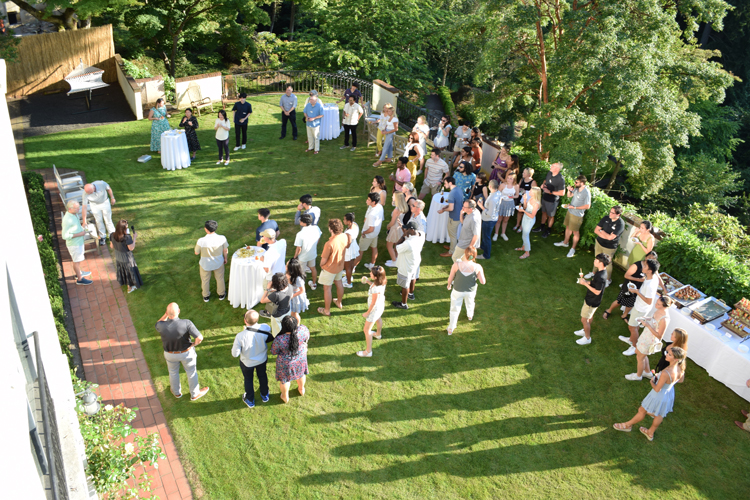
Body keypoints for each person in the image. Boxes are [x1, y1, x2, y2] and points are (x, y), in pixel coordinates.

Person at [613, 346, 686, 441]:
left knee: (642, 410)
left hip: (658, 396)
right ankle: (650, 432)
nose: (666, 355)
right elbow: (680, 380)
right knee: (659, 414)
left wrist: (652, 381)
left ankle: (627, 425)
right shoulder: (680, 367)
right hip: (668, 394)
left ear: (675, 359)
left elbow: (657, 389)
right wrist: (666, 382)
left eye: (669, 354)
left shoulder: (666, 372)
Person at [155, 303, 210, 401]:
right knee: (191, 372)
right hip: (187, 354)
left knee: (173, 373)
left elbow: (158, 322)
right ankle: (194, 394)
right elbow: (200, 338)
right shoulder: (186, 323)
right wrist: (194, 344)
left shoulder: (161, 325)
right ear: (179, 311)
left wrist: (166, 315)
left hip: (170, 355)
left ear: (167, 312)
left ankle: (176, 393)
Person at [232, 310, 273, 408]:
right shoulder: (265, 327)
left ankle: (250, 400)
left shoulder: (240, 336)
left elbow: (235, 354)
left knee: (248, 379)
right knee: (262, 376)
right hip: (262, 359)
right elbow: (269, 331)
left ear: (245, 321)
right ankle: (265, 395)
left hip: (247, 363)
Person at [625, 295, 673, 381]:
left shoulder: (664, 319)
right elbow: (653, 319)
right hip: (645, 335)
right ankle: (647, 372)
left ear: (665, 306)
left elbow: (659, 336)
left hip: (650, 340)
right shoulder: (658, 310)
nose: (656, 305)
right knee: (640, 353)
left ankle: (638, 376)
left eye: (658, 304)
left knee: (640, 358)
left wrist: (647, 325)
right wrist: (645, 319)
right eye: (657, 302)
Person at [603, 250, 658, 321]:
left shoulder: (651, 268)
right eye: (649, 257)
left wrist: (664, 288)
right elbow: (626, 275)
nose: (651, 259)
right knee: (619, 301)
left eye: (653, 259)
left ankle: (624, 315)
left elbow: (657, 277)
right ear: (645, 257)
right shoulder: (637, 265)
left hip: (639, 289)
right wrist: (639, 280)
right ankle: (609, 310)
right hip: (629, 286)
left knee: (631, 303)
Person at [622, 259, 660, 356]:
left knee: (632, 326)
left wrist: (637, 292)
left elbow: (649, 301)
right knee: (635, 325)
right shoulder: (652, 277)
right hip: (640, 306)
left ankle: (634, 347)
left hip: (641, 309)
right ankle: (631, 339)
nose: (643, 267)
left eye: (645, 266)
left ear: (650, 271)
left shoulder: (650, 285)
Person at [446, 247, 487, 335]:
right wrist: (477, 275)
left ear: (465, 254)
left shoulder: (456, 264)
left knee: (454, 308)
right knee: (470, 303)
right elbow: (483, 282)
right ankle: (470, 315)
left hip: (457, 290)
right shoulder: (478, 267)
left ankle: (451, 328)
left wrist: (449, 285)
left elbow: (450, 277)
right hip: (470, 291)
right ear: (474, 256)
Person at [271, 316, 310, 403]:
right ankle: (301, 389)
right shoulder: (302, 330)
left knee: (285, 380)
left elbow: (274, 351)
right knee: (301, 374)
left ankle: (285, 397)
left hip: (286, 363)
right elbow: (307, 337)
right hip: (300, 358)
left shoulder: (279, 339)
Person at [574, 253, 610, 345]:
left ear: (601, 263)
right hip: (594, 300)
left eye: (596, 260)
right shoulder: (601, 271)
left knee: (584, 320)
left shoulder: (601, 276)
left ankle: (587, 338)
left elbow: (597, 292)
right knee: (589, 316)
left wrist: (585, 284)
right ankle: (585, 330)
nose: (594, 261)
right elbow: (595, 283)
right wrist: (586, 282)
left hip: (591, 301)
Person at [584, 205, 625, 284]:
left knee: (607, 263)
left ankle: (608, 280)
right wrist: (606, 235)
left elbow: (610, 238)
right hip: (599, 242)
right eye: (610, 212)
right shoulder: (606, 218)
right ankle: (594, 273)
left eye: (612, 213)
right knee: (597, 258)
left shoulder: (620, 224)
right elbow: (596, 230)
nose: (610, 214)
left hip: (609, 247)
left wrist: (602, 232)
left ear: (618, 215)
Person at [554, 175, 591, 258]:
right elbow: (569, 196)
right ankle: (565, 242)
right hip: (570, 211)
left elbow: (587, 206)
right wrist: (569, 190)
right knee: (567, 227)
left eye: (576, 182)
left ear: (582, 183)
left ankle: (573, 249)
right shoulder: (577, 189)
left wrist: (574, 207)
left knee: (575, 232)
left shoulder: (586, 192)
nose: (575, 183)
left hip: (577, 215)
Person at [392, 220, 425, 310]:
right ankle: (411, 294)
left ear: (412, 230)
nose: (405, 230)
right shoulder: (421, 235)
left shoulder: (408, 243)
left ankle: (403, 304)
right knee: (413, 277)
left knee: (405, 285)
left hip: (406, 265)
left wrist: (403, 236)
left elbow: (396, 247)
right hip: (415, 262)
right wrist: (406, 232)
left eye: (407, 229)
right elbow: (414, 234)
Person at [317, 219, 348, 316]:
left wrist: (321, 265)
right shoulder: (344, 236)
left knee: (327, 289)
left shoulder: (329, 244)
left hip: (329, 269)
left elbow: (324, 259)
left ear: (331, 229)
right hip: (339, 266)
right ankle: (339, 302)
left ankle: (327, 311)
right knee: (339, 283)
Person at [194, 220, 228, 302]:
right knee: (220, 278)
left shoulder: (201, 241)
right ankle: (221, 294)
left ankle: (206, 296)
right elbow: (225, 250)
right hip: (218, 262)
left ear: (206, 229)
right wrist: (225, 258)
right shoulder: (222, 238)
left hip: (205, 264)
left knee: (205, 280)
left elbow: (196, 253)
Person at [357, 265, 387, 357]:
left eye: (371, 273)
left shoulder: (375, 289)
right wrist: (368, 281)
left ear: (376, 277)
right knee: (378, 318)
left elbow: (373, 303)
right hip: (380, 307)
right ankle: (378, 334)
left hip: (374, 310)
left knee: (367, 330)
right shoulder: (382, 281)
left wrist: (367, 313)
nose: (370, 273)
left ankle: (368, 352)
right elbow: (374, 286)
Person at [61, 201, 93, 285]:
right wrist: (80, 234)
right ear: (70, 208)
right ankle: (79, 279)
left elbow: (75, 227)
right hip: (74, 244)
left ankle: (79, 272)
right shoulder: (67, 220)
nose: (79, 209)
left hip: (78, 242)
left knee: (77, 261)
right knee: (76, 261)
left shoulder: (74, 214)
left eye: (79, 207)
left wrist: (82, 227)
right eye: (77, 208)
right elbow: (64, 236)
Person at [533, 162, 566, 238]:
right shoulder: (549, 173)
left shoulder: (560, 179)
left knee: (550, 216)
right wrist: (543, 184)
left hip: (552, 200)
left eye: (553, 166)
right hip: (545, 197)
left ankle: (548, 230)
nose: (551, 166)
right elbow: (546, 180)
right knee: (543, 212)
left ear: (557, 169)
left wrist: (550, 192)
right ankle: (542, 227)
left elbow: (562, 193)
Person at [109, 219, 142, 293]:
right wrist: (134, 238)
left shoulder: (112, 235)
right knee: (129, 272)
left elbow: (111, 246)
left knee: (123, 271)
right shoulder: (127, 237)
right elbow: (131, 248)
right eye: (126, 227)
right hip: (127, 259)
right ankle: (129, 288)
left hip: (118, 258)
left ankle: (125, 283)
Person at [354, 193, 384, 270]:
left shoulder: (372, 214)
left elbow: (371, 229)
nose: (366, 201)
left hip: (368, 235)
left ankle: (352, 268)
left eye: (368, 200)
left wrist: (363, 232)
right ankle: (372, 265)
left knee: (359, 251)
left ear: (373, 202)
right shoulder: (380, 206)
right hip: (375, 234)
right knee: (374, 248)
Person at [81, 180, 116, 246]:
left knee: (108, 220)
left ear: (94, 188)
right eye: (87, 193)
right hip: (94, 205)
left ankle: (112, 235)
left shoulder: (101, 183)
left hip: (104, 202)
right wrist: (84, 221)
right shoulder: (85, 193)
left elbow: (108, 188)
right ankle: (102, 236)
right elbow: (84, 207)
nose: (88, 194)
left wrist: (112, 198)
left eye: (90, 192)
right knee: (98, 221)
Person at [293, 213, 322, 290]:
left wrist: (295, 257)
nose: (299, 221)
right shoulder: (316, 228)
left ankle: (301, 288)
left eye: (300, 220)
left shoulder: (300, 234)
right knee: (313, 268)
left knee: (301, 273)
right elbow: (319, 238)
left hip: (303, 257)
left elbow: (298, 248)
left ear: (304, 223)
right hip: (312, 254)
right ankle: (314, 284)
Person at [438, 176, 464, 257]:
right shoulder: (458, 189)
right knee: (452, 234)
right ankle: (453, 246)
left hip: (454, 217)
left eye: (445, 183)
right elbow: (456, 203)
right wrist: (446, 207)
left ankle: (451, 252)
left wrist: (443, 210)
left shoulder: (452, 193)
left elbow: (451, 208)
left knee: (453, 235)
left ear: (450, 183)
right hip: (459, 215)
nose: (444, 185)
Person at [516, 186, 542, 259]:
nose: (529, 192)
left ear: (534, 193)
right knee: (524, 234)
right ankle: (523, 247)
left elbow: (532, 216)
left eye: (530, 191)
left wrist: (523, 211)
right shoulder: (531, 198)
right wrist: (524, 200)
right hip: (525, 218)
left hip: (529, 220)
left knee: (525, 235)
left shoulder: (536, 203)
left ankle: (527, 252)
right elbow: (525, 207)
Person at [478, 180, 502, 259]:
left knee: (486, 237)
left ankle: (486, 255)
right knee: (485, 235)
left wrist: (481, 206)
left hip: (489, 220)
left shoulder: (492, 199)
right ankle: (482, 247)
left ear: (490, 186)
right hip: (493, 218)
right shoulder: (498, 193)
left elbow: (490, 213)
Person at [384, 191, 408, 267]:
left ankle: (394, 261)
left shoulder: (396, 210)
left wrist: (388, 225)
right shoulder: (403, 207)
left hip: (395, 228)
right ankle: (396, 258)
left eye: (393, 196)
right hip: (400, 227)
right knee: (397, 245)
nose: (392, 197)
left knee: (389, 245)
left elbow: (392, 222)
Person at [494, 172, 518, 242]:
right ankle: (496, 233)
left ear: (514, 179)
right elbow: (497, 194)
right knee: (499, 219)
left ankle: (503, 233)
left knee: (506, 220)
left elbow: (517, 195)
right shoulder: (502, 185)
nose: (509, 180)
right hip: (502, 203)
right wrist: (501, 198)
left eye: (511, 178)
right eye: (508, 178)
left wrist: (512, 196)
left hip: (510, 203)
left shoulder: (516, 186)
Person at [513, 168, 537, 232]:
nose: (522, 174)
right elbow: (518, 188)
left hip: (527, 201)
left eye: (524, 173)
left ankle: (522, 226)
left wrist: (526, 192)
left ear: (529, 174)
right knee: (519, 211)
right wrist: (521, 191)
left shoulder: (533, 182)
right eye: (523, 172)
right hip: (521, 199)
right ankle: (517, 224)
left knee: (524, 212)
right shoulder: (522, 179)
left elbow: (535, 193)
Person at [287, 258, 309, 322]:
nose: (285, 266)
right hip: (291, 294)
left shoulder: (298, 279)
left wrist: (292, 296)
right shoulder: (288, 274)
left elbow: (302, 290)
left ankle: (297, 325)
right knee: (291, 312)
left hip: (296, 297)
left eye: (287, 265)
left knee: (294, 313)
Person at [342, 213, 360, 288]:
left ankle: (349, 283)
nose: (343, 221)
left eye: (344, 219)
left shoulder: (348, 233)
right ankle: (348, 277)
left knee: (347, 267)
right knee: (351, 264)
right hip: (354, 247)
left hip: (348, 250)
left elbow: (348, 244)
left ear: (349, 221)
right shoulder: (355, 224)